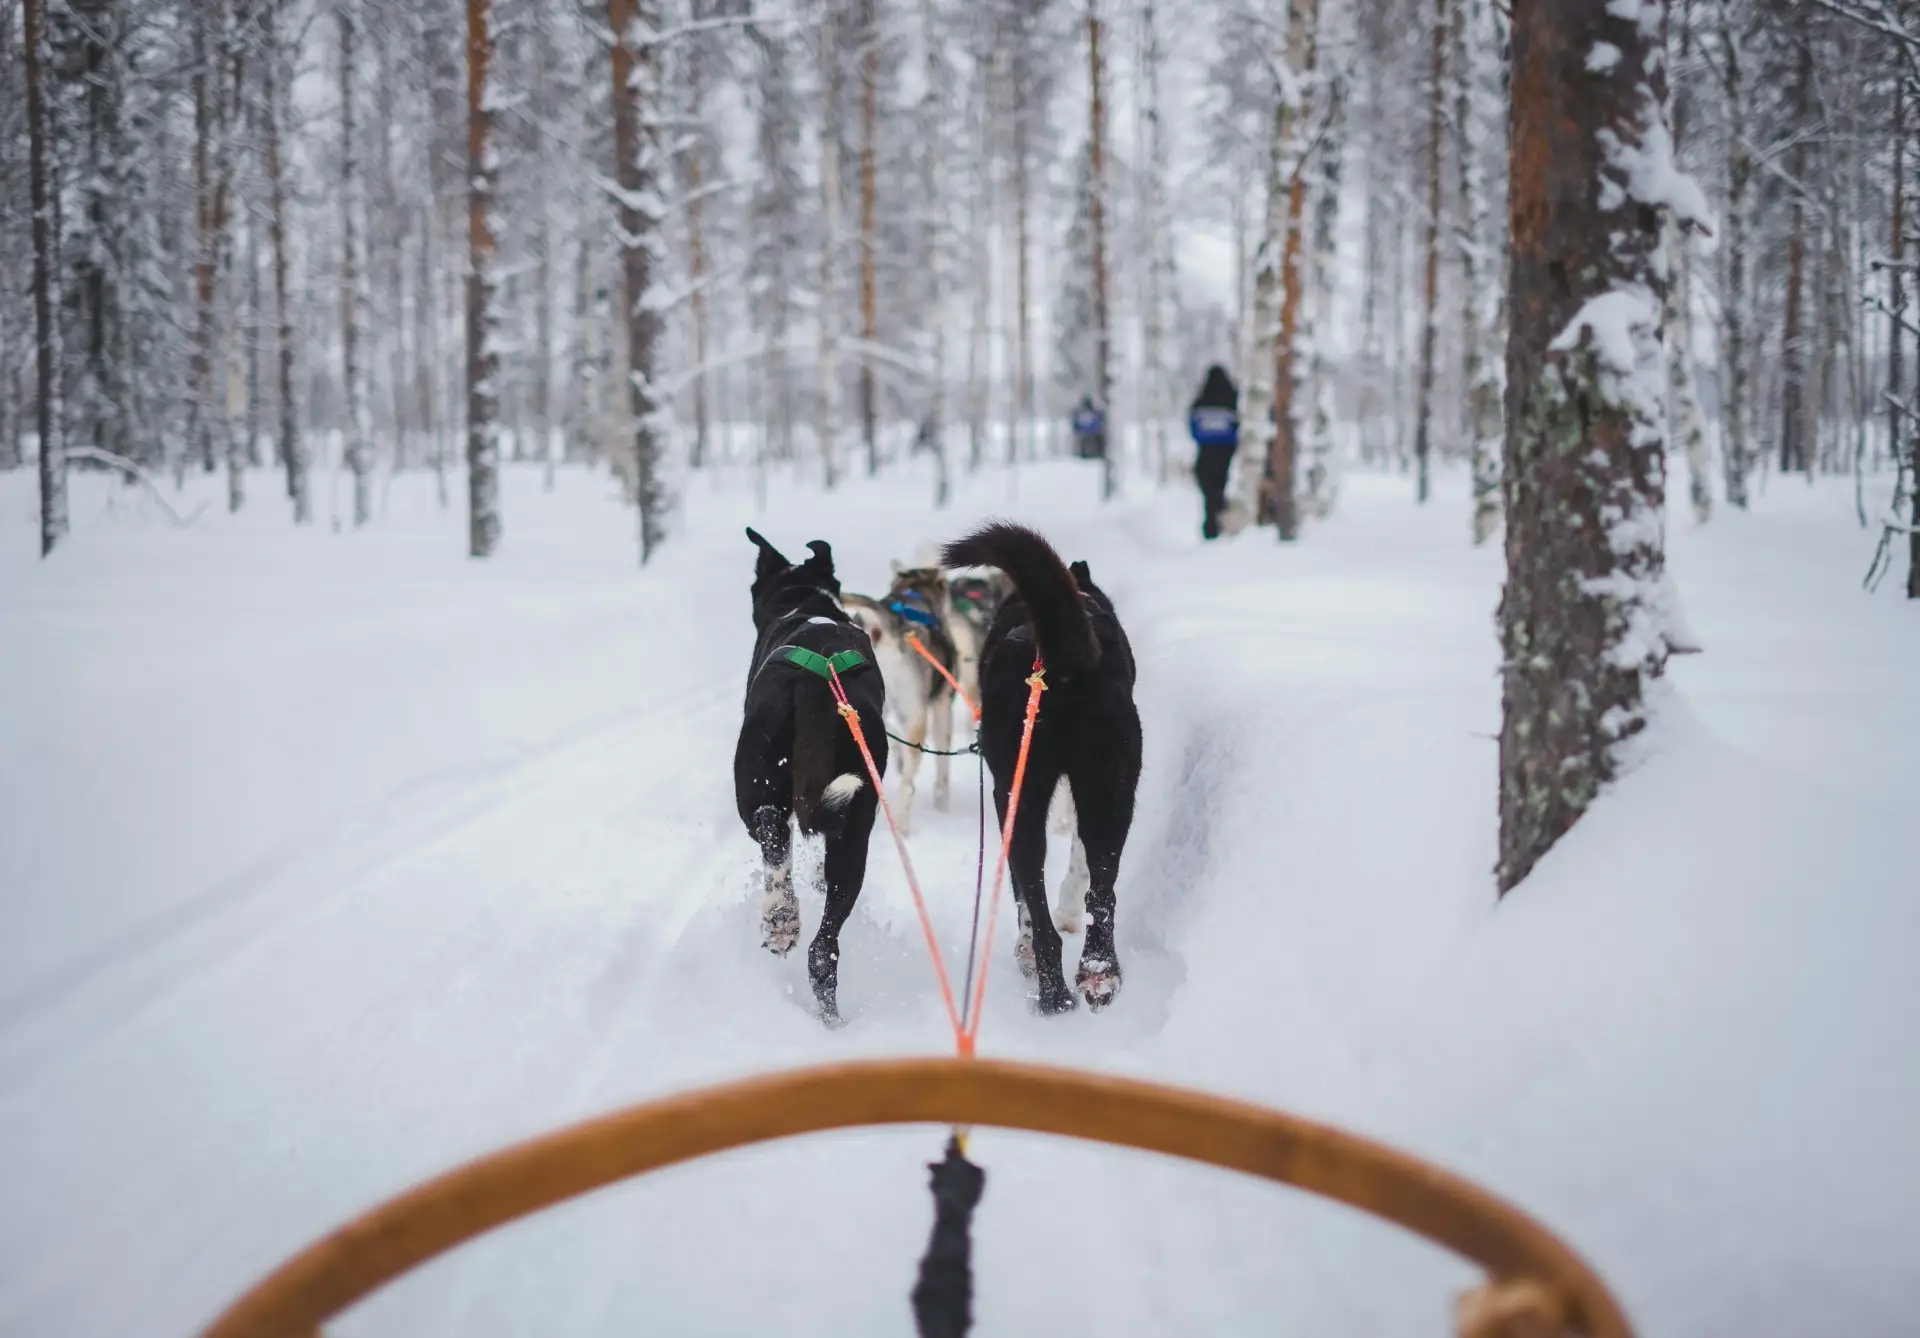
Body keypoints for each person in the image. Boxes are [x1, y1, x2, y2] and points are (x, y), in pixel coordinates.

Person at [1189, 365, 1239, 540]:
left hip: (1206, 454)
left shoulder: (1201, 402)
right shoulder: (1233, 400)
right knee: (1219, 488)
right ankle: (1219, 521)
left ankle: (1212, 524)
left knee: (1210, 492)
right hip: (1226, 455)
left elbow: (1193, 428)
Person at [1070, 394, 1106, 460]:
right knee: (1088, 444)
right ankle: (1087, 454)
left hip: (1090, 432)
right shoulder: (1083, 412)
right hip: (1090, 432)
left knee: (1090, 444)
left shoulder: (1083, 412)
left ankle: (1090, 454)